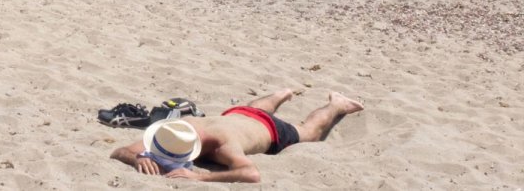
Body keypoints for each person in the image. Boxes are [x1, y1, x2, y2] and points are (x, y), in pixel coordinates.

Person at [110, 89, 364, 183]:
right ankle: (279, 95)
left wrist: (198, 176)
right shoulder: (175, 131)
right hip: (238, 114)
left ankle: (337, 104)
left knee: (309, 131)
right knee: (253, 109)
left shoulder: (223, 147)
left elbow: (252, 174)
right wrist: (136, 159)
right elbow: (119, 150)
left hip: (271, 131)